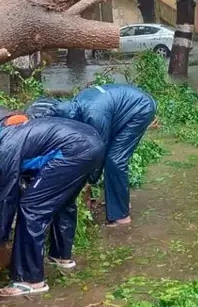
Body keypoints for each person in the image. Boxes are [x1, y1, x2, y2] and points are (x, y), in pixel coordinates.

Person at [0, 111, 105, 297]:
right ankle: (60, 256)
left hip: (73, 149)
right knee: (63, 202)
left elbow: (5, 198)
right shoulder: (10, 134)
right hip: (92, 142)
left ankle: (30, 280)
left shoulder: (6, 150)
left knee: (31, 208)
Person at [25, 84, 157, 227]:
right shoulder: (76, 105)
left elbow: (98, 153)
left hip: (140, 109)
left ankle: (121, 217)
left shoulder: (93, 116)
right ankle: (120, 200)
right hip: (119, 108)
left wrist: (89, 184)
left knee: (114, 160)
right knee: (107, 157)